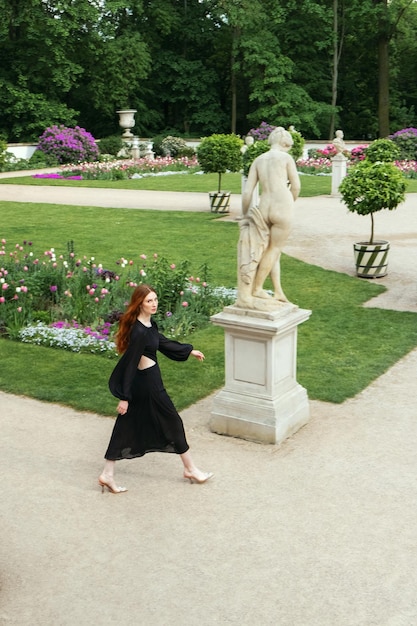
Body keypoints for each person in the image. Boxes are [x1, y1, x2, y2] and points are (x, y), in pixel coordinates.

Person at [98, 284, 213, 493]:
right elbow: (131, 363)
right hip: (149, 385)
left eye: (155, 299)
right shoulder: (139, 332)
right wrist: (124, 397)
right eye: (149, 301)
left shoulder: (148, 325)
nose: (154, 304)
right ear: (139, 304)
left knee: (126, 425)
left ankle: (107, 474)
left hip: (147, 382)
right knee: (173, 421)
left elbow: (162, 343)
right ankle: (190, 469)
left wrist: (188, 351)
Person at [236, 127, 301, 309]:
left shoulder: (258, 159)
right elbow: (296, 186)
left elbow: (248, 192)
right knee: (274, 248)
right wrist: (289, 202)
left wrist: (244, 215)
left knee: (270, 251)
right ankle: (257, 288)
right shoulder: (286, 158)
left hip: (264, 206)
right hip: (282, 204)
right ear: (284, 143)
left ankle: (278, 291)